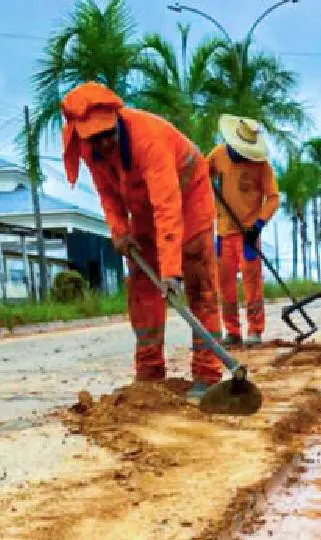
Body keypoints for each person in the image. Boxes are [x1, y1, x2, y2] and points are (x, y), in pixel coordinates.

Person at [60, 82, 223, 404]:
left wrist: (172, 272)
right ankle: (149, 372)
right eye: (95, 137)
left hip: (187, 201)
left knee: (199, 285)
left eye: (108, 133)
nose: (104, 142)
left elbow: (168, 205)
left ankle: (208, 374)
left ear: (117, 119)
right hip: (144, 213)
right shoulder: (90, 149)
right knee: (141, 288)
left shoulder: (148, 138)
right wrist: (119, 230)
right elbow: (107, 194)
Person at [208, 115, 280, 347]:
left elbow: (273, 198)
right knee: (225, 284)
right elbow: (200, 176)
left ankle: (255, 330)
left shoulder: (261, 166)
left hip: (248, 235)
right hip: (223, 233)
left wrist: (258, 224)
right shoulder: (217, 156)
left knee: (251, 283)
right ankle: (232, 331)